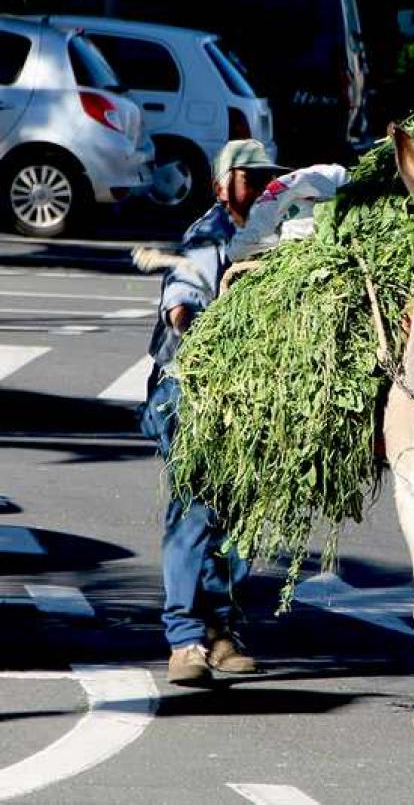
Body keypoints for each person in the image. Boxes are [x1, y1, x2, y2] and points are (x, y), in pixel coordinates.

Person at [137, 139, 346, 685]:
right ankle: (184, 639)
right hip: (189, 391)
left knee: (239, 517)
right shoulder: (207, 240)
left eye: (266, 180)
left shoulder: (284, 230)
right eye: (248, 180)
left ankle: (221, 628)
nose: (258, 190)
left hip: (247, 398)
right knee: (195, 512)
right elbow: (181, 308)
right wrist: (214, 336)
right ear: (222, 184)